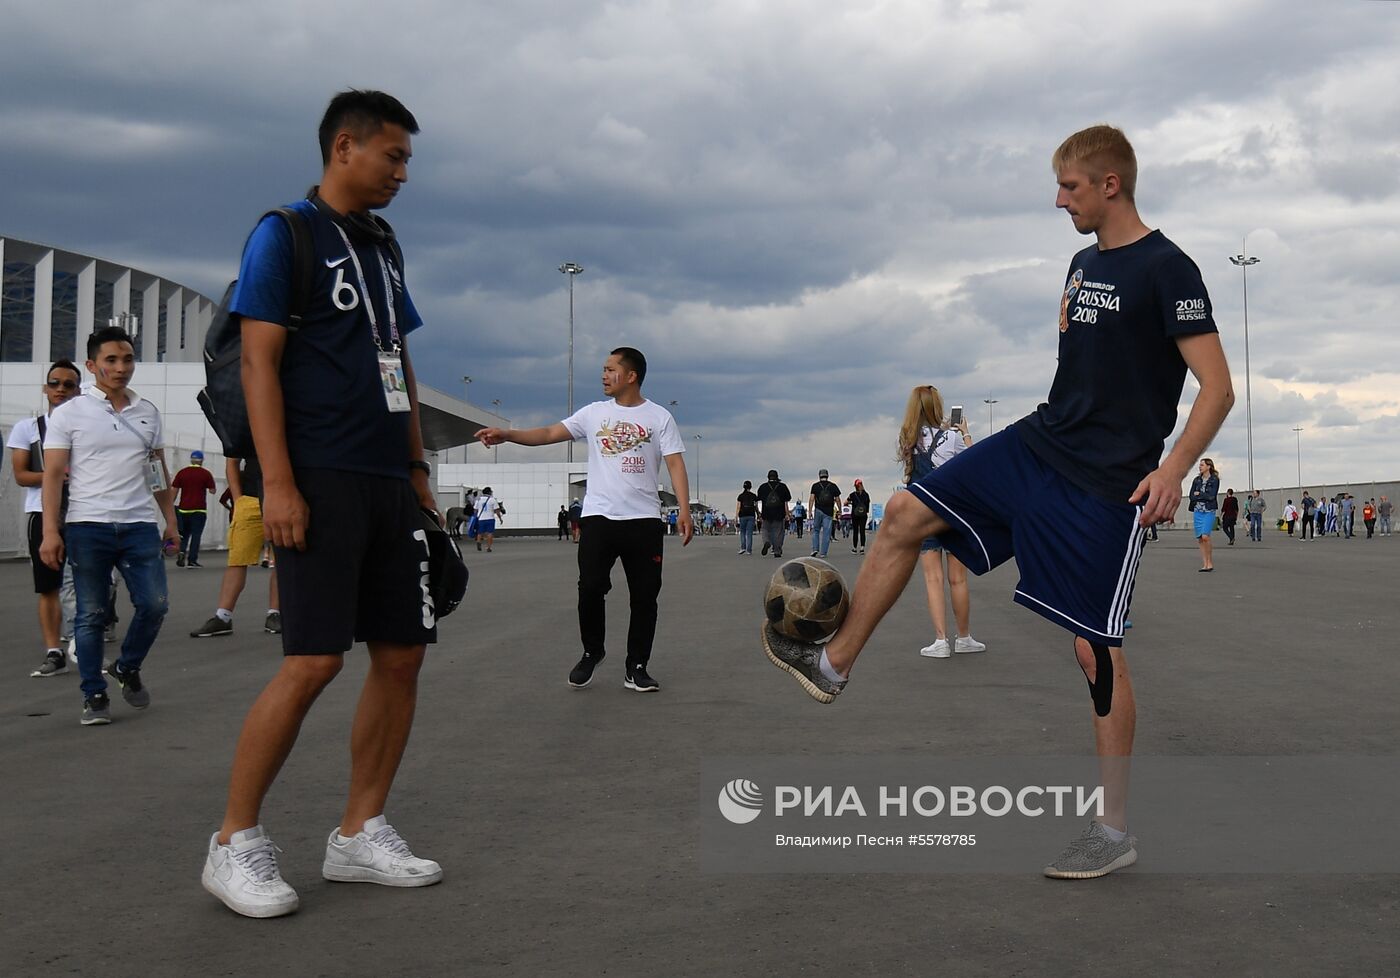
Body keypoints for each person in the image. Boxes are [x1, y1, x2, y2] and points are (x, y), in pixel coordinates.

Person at [761, 124, 1234, 879]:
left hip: (1105, 484)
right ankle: (833, 664)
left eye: (1069, 187)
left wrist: (1174, 468)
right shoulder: (1081, 265)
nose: (1059, 200)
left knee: (1094, 650)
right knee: (903, 514)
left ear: (1110, 184)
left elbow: (1218, 387)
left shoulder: (1168, 269)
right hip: (1039, 445)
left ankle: (1112, 832)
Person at [202, 91, 444, 920]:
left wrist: (417, 469)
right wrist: (276, 482)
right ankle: (234, 840)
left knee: (402, 656)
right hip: (317, 475)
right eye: (393, 156)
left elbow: (397, 358)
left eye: (407, 159)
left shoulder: (383, 246)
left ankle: (359, 832)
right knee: (312, 660)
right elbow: (258, 364)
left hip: (386, 481)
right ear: (345, 146)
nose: (403, 173)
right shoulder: (286, 233)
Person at [478, 347, 692, 691]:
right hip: (599, 518)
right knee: (591, 587)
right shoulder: (594, 414)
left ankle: (636, 667)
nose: (604, 376)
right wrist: (507, 435)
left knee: (644, 596)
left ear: (631, 376)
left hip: (643, 520)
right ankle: (592, 651)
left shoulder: (659, 417)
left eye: (610, 369)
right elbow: (549, 433)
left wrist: (684, 509)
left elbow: (675, 463)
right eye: (603, 370)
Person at [39, 327, 180, 725]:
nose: (121, 368)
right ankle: (94, 694)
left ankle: (126, 666)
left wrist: (170, 521)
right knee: (91, 615)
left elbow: (157, 471)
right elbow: (53, 476)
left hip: (139, 525)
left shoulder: (146, 411)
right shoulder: (69, 413)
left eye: (128, 359)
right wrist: (51, 532)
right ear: (92, 365)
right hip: (88, 526)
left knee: (155, 604)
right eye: (111, 360)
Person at [897, 385, 985, 658]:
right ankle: (964, 637)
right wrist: (964, 432)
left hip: (923, 514)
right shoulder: (951, 436)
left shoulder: (908, 438)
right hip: (952, 513)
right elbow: (975, 463)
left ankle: (940, 641)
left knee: (932, 579)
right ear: (937, 407)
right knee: (958, 579)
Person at [9, 359, 82, 677]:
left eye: (68, 384)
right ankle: (54, 651)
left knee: (89, 580)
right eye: (55, 383)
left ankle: (83, 641)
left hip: (83, 511)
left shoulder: (86, 427)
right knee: (48, 585)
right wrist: (53, 475)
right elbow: (21, 475)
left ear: (78, 390)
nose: (60, 389)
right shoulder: (28, 428)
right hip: (43, 513)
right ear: (45, 388)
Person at [189, 457, 281, 637]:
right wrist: (238, 499)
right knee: (237, 559)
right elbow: (232, 461)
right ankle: (223, 617)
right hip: (250, 499)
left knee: (283, 560)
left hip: (281, 498)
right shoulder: (247, 436)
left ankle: (274, 614)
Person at [171, 449, 217, 567]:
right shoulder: (206, 474)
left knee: (184, 534)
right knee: (196, 535)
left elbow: (174, 490)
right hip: (199, 510)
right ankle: (192, 560)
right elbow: (212, 491)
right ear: (201, 461)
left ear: (191, 460)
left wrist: (170, 505)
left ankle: (181, 552)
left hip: (183, 509)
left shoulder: (182, 473)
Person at [1188, 458, 1219, 569]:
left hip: (1209, 510)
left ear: (1208, 466)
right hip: (1198, 511)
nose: (1200, 467)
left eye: (1202, 465)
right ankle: (1205, 563)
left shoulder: (1214, 480)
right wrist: (1200, 496)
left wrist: (1199, 494)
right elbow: (1191, 496)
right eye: (1200, 465)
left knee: (1206, 536)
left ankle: (1210, 562)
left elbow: (1212, 496)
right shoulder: (1196, 480)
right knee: (1200, 538)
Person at [808, 469, 842, 558]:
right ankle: (823, 553)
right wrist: (840, 510)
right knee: (826, 532)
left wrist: (810, 511)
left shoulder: (815, 486)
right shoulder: (833, 486)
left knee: (816, 530)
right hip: (829, 512)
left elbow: (811, 499)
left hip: (818, 510)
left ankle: (815, 548)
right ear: (827, 476)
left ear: (819, 476)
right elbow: (838, 499)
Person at [757, 469, 791, 558]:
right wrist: (787, 513)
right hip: (779, 513)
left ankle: (766, 542)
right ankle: (777, 550)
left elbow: (759, 498)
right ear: (777, 477)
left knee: (765, 529)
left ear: (768, 477)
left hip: (766, 512)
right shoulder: (782, 486)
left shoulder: (763, 487)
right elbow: (788, 498)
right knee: (778, 532)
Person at [473, 486, 503, 552]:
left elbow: (475, 510)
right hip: (490, 518)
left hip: (481, 519)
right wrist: (500, 518)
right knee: (490, 533)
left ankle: (478, 542)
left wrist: (476, 516)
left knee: (480, 532)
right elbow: (497, 510)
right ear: (489, 492)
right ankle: (488, 547)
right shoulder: (492, 500)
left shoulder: (478, 500)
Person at [848, 479, 871, 554]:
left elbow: (846, 502)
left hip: (855, 514)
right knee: (862, 531)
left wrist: (852, 503)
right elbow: (867, 506)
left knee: (855, 531)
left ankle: (854, 548)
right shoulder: (866, 494)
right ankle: (862, 548)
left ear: (855, 486)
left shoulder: (852, 494)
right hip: (863, 515)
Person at [736, 480, 758, 555]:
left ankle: (743, 548)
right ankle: (749, 550)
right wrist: (758, 514)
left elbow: (738, 507)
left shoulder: (740, 496)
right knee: (749, 533)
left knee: (742, 532)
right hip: (751, 515)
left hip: (742, 515)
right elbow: (756, 506)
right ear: (750, 487)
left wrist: (736, 516)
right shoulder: (754, 496)